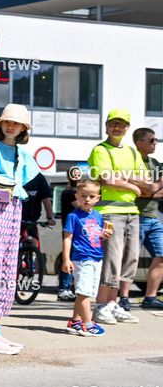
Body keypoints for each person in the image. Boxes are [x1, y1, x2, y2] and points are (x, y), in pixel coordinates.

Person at [0, 104, 41, 354]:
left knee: (8, 269)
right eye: (6, 122)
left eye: (16, 123)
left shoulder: (22, 154)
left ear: (23, 128)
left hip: (14, 209)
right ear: (0, 124)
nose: (10, 126)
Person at [87, 109, 156, 324]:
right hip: (109, 212)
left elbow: (147, 181)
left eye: (121, 124)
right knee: (112, 259)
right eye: (113, 123)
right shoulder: (100, 150)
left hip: (131, 212)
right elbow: (107, 179)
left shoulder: (132, 152)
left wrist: (123, 178)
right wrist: (132, 185)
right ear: (106, 126)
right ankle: (100, 305)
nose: (117, 127)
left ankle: (112, 304)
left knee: (130, 259)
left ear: (127, 128)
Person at [62, 180, 112, 336]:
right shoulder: (73, 216)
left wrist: (104, 235)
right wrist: (66, 259)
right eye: (83, 196)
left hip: (97, 257)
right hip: (83, 258)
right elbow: (67, 238)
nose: (87, 199)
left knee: (87, 292)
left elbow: (95, 235)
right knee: (84, 292)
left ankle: (75, 321)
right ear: (77, 196)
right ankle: (88, 324)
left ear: (98, 198)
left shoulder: (98, 216)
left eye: (91, 196)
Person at [132, 128, 163, 310]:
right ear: (139, 143)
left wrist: (150, 190)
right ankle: (122, 298)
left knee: (161, 255)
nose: (155, 143)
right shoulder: (132, 161)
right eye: (151, 140)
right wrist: (152, 188)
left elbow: (151, 189)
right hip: (136, 217)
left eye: (155, 140)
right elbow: (139, 189)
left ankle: (150, 298)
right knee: (130, 260)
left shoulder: (155, 163)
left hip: (153, 217)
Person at [57, 171, 80, 301]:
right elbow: (80, 207)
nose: (76, 177)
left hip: (76, 231)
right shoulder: (68, 192)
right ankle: (63, 289)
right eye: (74, 175)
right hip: (69, 231)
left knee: (73, 258)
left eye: (78, 175)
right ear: (68, 176)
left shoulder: (73, 192)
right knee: (68, 258)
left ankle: (68, 287)